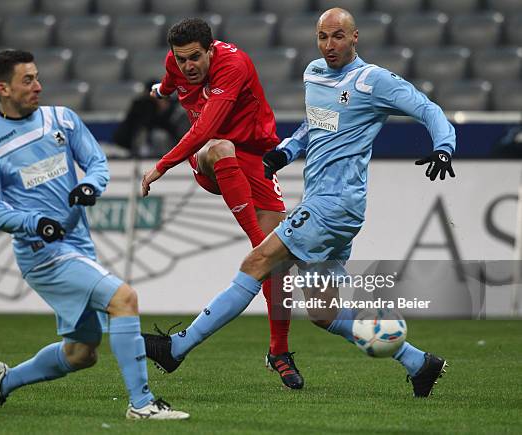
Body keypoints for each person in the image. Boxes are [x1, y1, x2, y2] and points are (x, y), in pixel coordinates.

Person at [142, 8, 455, 398]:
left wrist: (443, 147)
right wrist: (285, 152)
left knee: (257, 262)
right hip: (331, 207)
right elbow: (316, 124)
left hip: (332, 205)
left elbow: (427, 108)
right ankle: (419, 363)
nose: (329, 45)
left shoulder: (372, 80)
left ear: (355, 37)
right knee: (324, 313)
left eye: (338, 36)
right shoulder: (315, 74)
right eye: (323, 37)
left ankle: (176, 348)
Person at [0, 49, 188, 420]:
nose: (38, 86)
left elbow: (96, 162)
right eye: (28, 80)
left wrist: (90, 185)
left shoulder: (62, 119)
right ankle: (142, 405)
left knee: (81, 354)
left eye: (37, 77)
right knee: (124, 298)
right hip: (43, 252)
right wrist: (33, 222)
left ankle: (2, 382)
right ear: (2, 88)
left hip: (78, 244)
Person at [140, 18, 303, 389]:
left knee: (277, 267)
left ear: (211, 50)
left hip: (256, 159)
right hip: (212, 158)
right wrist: (161, 91)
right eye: (181, 59)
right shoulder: (175, 64)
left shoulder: (234, 64)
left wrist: (161, 165)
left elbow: (204, 123)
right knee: (220, 148)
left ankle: (279, 351)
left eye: (195, 57)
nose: (188, 66)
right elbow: (184, 105)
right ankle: (258, 242)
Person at [113, 79, 189, 158]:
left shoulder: (177, 109)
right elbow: (126, 134)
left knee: (159, 135)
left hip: (172, 151)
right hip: (139, 151)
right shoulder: (142, 107)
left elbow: (180, 135)